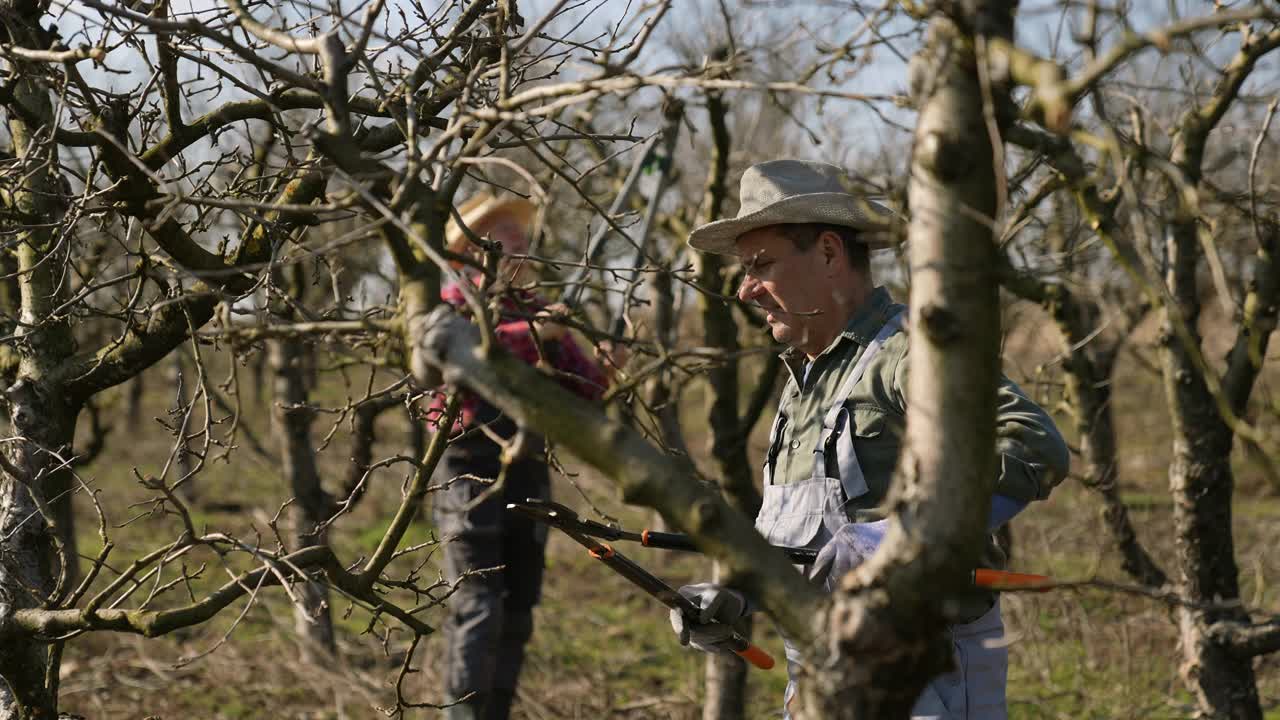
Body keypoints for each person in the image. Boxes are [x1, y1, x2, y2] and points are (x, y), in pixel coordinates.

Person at [669, 159, 1070, 719]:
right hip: (819, 678)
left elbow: (1034, 444)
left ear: (830, 254)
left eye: (761, 264)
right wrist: (737, 596)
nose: (745, 290)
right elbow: (799, 544)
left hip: (924, 678)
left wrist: (896, 541)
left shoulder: (909, 353)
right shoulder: (803, 382)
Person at [426, 193, 617, 720]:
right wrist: (534, 335)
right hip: (470, 466)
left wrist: (604, 367)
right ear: (467, 252)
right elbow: (460, 358)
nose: (517, 255)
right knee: (479, 603)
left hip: (528, 465)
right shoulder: (450, 308)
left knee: (519, 609)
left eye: (522, 245)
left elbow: (582, 388)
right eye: (504, 244)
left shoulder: (536, 311)